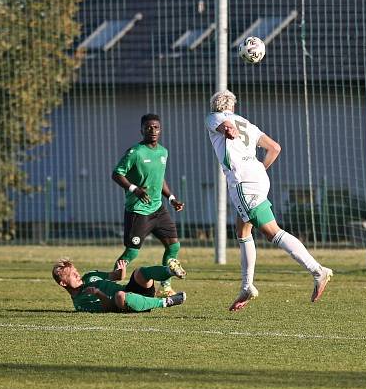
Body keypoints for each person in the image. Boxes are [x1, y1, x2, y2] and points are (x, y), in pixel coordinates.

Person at [205, 90, 333, 311]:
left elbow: (227, 128)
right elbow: (275, 148)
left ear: (215, 106)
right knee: (243, 231)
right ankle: (247, 286)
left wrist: (229, 131)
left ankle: (317, 270)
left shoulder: (213, 117)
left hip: (243, 183)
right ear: (233, 107)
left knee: (272, 232)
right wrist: (259, 170)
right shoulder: (247, 123)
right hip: (258, 178)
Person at [111, 113, 185, 297]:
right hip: (138, 211)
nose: (152, 130)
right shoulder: (135, 152)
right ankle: (110, 284)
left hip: (158, 209)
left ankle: (165, 286)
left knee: (173, 246)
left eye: (156, 127)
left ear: (160, 129)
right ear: (142, 130)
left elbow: (159, 179)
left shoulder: (163, 152)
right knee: (132, 252)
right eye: (148, 127)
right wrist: (134, 189)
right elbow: (117, 174)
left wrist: (171, 198)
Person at [52, 257, 187, 313]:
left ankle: (170, 271)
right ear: (63, 283)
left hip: (129, 290)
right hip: (123, 302)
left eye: (76, 271)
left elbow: (116, 276)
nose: (77, 275)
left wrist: (121, 271)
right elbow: (109, 308)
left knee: (139, 272)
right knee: (119, 296)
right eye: (72, 275)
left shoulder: (89, 276)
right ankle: (167, 301)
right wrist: (98, 293)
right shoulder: (80, 303)